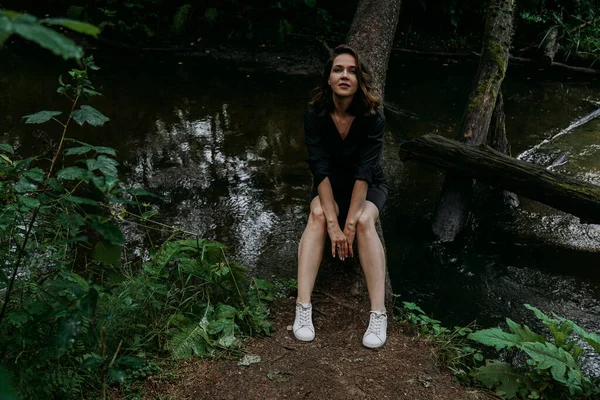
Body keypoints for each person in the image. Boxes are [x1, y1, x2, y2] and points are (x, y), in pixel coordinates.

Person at [293, 44, 389, 349]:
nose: (344, 75)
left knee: (363, 222)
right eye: (338, 69)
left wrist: (347, 227)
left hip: (369, 183)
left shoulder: (373, 117)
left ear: (359, 80)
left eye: (351, 70)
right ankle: (303, 307)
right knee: (319, 215)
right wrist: (333, 225)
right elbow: (319, 169)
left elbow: (365, 172)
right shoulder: (315, 115)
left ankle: (378, 313)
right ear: (328, 79)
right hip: (329, 185)